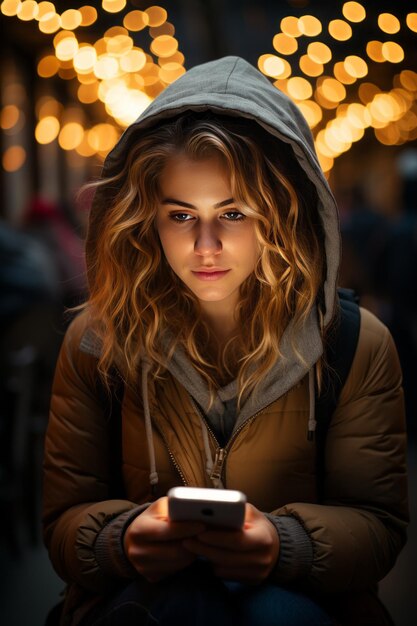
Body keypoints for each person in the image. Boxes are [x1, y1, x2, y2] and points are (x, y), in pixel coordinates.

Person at [42, 56, 408, 626]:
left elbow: (380, 525)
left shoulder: (356, 344)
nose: (205, 246)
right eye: (182, 215)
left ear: (282, 215)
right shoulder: (96, 342)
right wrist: (122, 538)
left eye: (233, 213)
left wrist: (284, 545)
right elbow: (63, 521)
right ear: (146, 219)